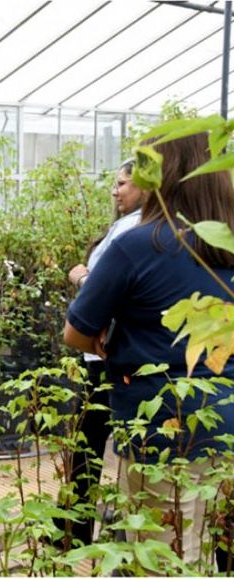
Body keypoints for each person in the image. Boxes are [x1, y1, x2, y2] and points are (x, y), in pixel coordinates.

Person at [64, 133, 234, 563]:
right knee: (209, 548)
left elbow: (77, 332)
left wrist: (114, 338)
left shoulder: (141, 243)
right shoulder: (226, 244)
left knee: (154, 556)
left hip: (156, 425)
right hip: (226, 421)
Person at [60, 159, 145, 547]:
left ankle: (77, 533)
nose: (116, 190)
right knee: (97, 444)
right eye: (114, 183)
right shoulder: (130, 225)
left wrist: (80, 276)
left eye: (123, 184)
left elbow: (104, 288)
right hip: (108, 352)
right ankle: (83, 530)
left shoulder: (133, 231)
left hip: (109, 353)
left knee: (92, 445)